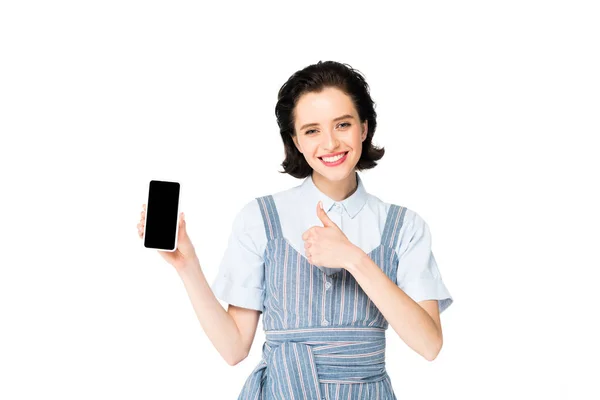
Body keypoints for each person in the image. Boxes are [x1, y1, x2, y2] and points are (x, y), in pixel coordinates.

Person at [137, 60, 453, 399]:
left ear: (364, 128)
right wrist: (187, 266)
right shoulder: (260, 217)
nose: (330, 143)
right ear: (296, 141)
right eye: (312, 130)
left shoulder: (404, 226)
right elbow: (233, 349)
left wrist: (353, 258)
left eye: (342, 125)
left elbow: (429, 344)